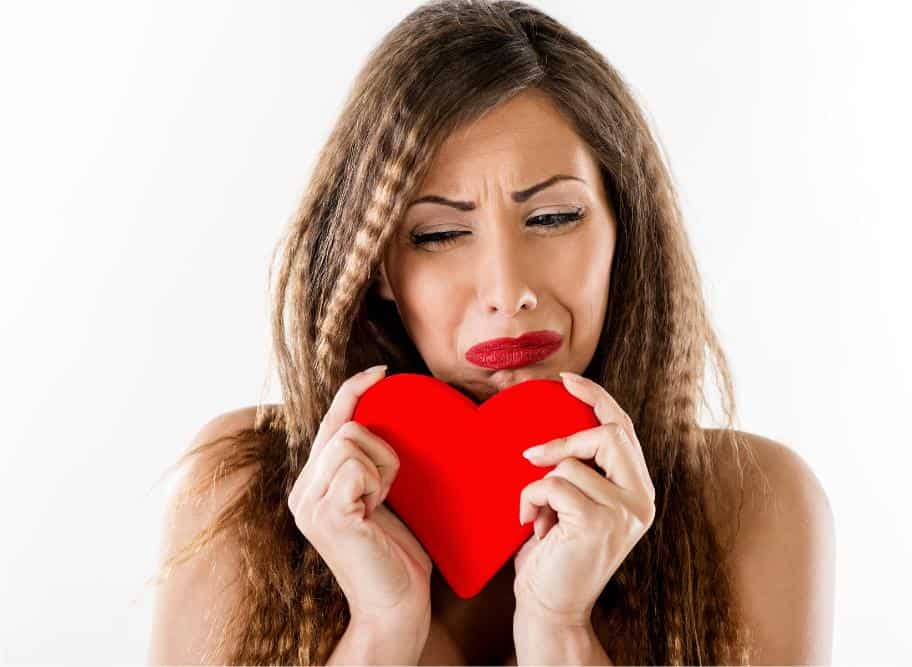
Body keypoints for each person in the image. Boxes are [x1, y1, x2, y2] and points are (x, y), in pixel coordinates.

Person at [147, 1, 835, 664]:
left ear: (622, 230)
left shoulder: (756, 506)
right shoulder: (231, 492)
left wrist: (561, 633)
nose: (508, 292)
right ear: (378, 263)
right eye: (441, 233)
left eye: (553, 218)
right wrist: (380, 634)